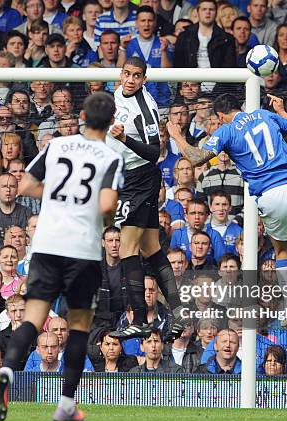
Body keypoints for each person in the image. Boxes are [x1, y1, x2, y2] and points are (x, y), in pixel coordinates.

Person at [0, 92, 123, 421]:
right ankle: (65, 405)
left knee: (33, 320)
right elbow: (106, 206)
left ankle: (6, 371)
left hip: (47, 246)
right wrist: (94, 212)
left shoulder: (57, 146)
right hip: (82, 250)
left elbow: (25, 186)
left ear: (81, 115)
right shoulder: (110, 156)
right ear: (111, 119)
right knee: (78, 327)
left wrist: (59, 198)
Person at [167, 93, 287, 314]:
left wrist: (177, 136)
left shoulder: (226, 131)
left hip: (270, 192)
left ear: (220, 115)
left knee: (282, 251)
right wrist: (282, 111)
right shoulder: (264, 115)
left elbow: (195, 157)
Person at [107, 57, 183, 340]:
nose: (130, 80)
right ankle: (180, 311)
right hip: (130, 178)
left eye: (136, 76)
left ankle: (139, 318)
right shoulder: (117, 95)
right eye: (127, 74)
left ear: (144, 80)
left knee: (127, 247)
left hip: (140, 179)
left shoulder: (145, 108)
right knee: (151, 247)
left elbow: (155, 153)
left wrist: (125, 139)